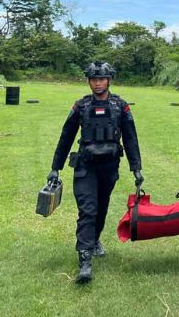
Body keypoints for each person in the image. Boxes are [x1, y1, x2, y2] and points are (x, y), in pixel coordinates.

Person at [47, 62, 143, 284]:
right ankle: (85, 261)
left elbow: (130, 138)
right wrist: (55, 167)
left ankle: (95, 239)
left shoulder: (121, 106)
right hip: (85, 166)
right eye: (93, 79)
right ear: (88, 81)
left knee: (101, 208)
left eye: (102, 79)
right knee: (87, 210)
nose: (98, 83)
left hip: (109, 167)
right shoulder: (81, 106)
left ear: (110, 80)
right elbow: (66, 137)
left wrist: (136, 167)